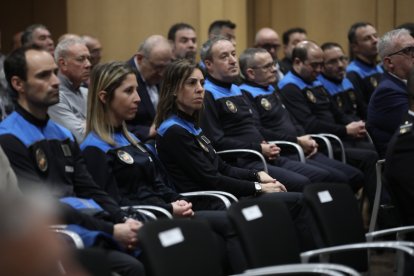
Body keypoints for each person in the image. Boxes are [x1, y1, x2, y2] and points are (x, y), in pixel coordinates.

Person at [80, 61, 255, 273]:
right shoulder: (93, 148)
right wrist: (169, 209)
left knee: (225, 229)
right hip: (143, 221)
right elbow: (114, 204)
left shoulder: (133, 139)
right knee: (216, 233)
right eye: (129, 91)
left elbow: (158, 183)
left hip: (164, 212)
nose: (137, 98)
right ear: (104, 97)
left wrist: (177, 201)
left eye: (137, 89)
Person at [0, 46, 145, 276]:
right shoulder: (9, 138)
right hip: (53, 232)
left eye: (54, 72)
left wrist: (122, 218)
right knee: (132, 267)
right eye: (43, 75)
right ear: (18, 84)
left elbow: (89, 187)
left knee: (150, 244)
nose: (55, 81)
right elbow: (43, 207)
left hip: (84, 222)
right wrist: (112, 229)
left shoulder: (62, 133)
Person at [155, 58, 320, 251]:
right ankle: (308, 263)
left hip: (222, 194)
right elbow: (212, 179)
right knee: (293, 202)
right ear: (173, 89)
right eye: (192, 83)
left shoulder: (190, 125)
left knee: (288, 199)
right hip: (208, 200)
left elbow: (222, 167)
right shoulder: (174, 131)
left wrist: (257, 175)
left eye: (202, 83)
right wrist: (258, 188)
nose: (200, 89)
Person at [197, 37, 342, 192]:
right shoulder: (208, 94)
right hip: (243, 162)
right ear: (209, 64)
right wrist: (258, 148)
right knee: (305, 182)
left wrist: (266, 146)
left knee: (326, 176)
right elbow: (216, 141)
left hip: (265, 155)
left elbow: (253, 127)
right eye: (224, 57)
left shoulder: (235, 89)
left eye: (233, 54)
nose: (233, 60)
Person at [239, 47, 364, 191]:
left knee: (352, 176)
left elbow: (292, 119)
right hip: (284, 151)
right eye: (267, 66)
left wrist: (305, 137)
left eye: (273, 64)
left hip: (299, 148)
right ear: (251, 73)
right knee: (332, 178)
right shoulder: (245, 93)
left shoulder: (270, 88)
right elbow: (260, 131)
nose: (274, 69)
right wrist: (297, 141)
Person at [278, 41, 378, 201]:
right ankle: (377, 214)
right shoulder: (290, 86)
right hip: (322, 143)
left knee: (379, 147)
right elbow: (310, 124)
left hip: (336, 137)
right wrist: (345, 130)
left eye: (321, 65)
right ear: (297, 62)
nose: (319, 70)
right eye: (314, 65)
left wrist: (354, 125)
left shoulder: (314, 81)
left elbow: (335, 113)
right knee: (368, 159)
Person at [367, 29, 414, 158]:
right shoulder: (388, 92)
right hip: (403, 162)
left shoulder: (406, 84)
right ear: (389, 62)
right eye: (409, 51)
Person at [126, 35, 173, 142]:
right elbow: (112, 123)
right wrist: (148, 132)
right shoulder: (122, 78)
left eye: (166, 67)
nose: (162, 73)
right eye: (158, 67)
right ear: (140, 58)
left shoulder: (159, 74)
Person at [48, 38, 91, 143]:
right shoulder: (55, 96)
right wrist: (97, 123)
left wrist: (85, 124)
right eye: (81, 59)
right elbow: (80, 137)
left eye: (88, 58)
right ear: (63, 64)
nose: (88, 64)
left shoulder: (86, 92)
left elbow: (111, 125)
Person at [319, 42, 366, 120]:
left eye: (342, 59)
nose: (340, 65)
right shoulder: (320, 87)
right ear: (321, 66)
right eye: (332, 61)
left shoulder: (348, 80)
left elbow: (362, 109)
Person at [346, 22, 383, 106]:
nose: (375, 40)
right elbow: (362, 109)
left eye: (375, 36)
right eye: (367, 38)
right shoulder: (352, 74)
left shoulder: (379, 68)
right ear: (354, 47)